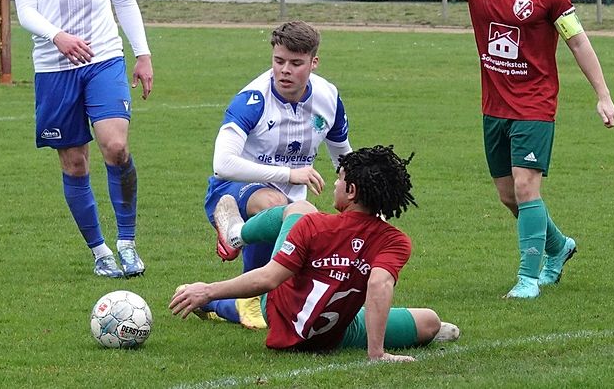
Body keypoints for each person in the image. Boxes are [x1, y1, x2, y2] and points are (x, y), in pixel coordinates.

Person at [351, 0, 614, 299]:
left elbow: (577, 42)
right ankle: (558, 246)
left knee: (526, 187)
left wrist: (603, 95)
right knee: (509, 196)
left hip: (535, 107)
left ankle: (528, 279)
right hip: (494, 108)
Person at [172, 145, 460, 360]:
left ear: (351, 191)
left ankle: (236, 235)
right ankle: (232, 250)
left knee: (299, 207)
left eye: (339, 179)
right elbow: (379, 284)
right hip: (332, 334)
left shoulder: (313, 224)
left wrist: (207, 290)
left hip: (281, 315)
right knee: (431, 322)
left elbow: (269, 279)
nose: (334, 184)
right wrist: (377, 353)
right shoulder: (395, 240)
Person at [10, 0, 153, 279]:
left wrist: (142, 53)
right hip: (54, 67)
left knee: (116, 147)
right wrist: (58, 37)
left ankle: (127, 243)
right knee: (74, 163)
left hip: (103, 57)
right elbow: (25, 11)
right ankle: (100, 251)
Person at [198, 21, 352, 327]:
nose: (284, 70)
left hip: (291, 205)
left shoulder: (327, 97)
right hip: (231, 192)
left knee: (288, 305)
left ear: (314, 62)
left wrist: (364, 199)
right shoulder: (253, 99)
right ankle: (234, 237)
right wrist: (289, 174)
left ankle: (209, 300)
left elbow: (343, 157)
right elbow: (223, 164)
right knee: (274, 204)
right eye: (279, 61)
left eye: (296, 63)